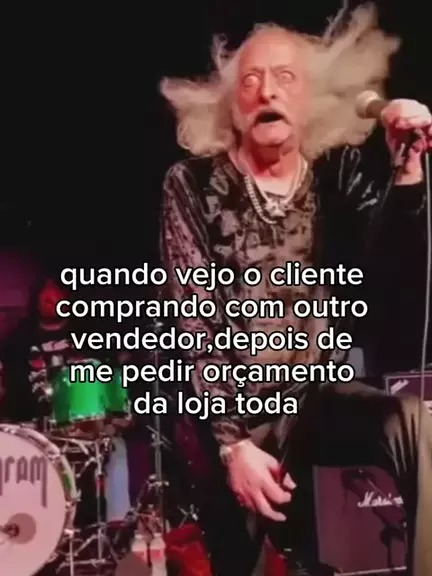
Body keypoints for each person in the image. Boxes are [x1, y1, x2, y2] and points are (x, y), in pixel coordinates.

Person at [159, 6, 432, 576]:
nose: (267, 91)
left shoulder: (336, 176)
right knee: (243, 564)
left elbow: (388, 269)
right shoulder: (193, 183)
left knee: (416, 421)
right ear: (232, 106)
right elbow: (194, 316)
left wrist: (406, 174)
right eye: (250, 81)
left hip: (312, 400)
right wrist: (232, 445)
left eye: (285, 77)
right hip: (229, 414)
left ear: (309, 100)